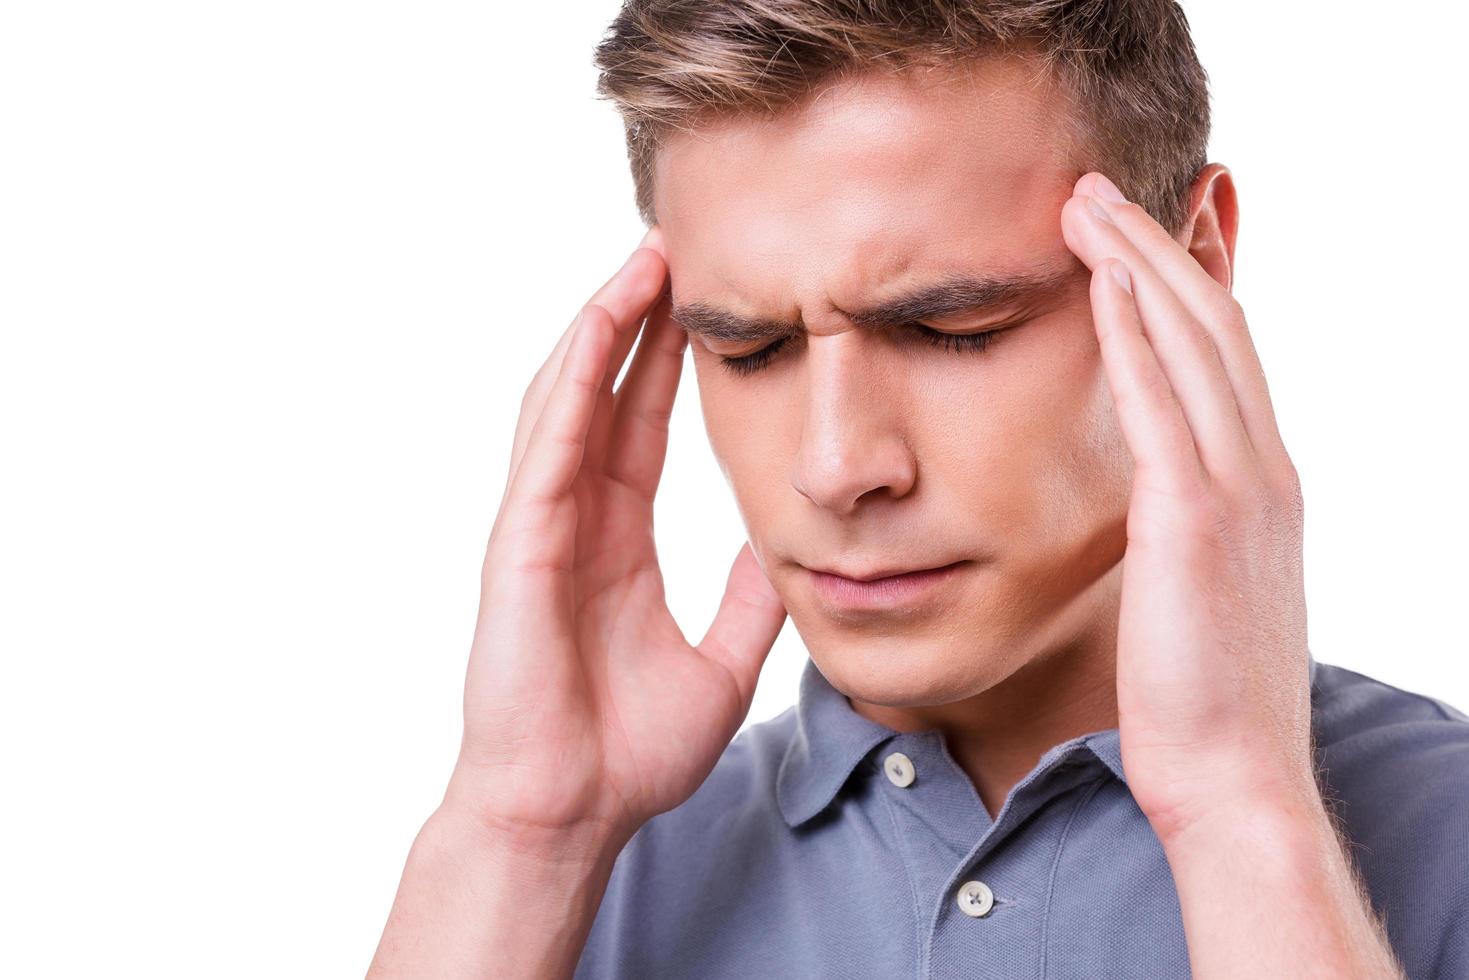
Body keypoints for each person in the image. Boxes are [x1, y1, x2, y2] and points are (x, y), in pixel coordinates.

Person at [367, 2, 1468, 977]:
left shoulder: (1446, 834)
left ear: (1194, 260)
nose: (835, 465)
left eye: (952, 330)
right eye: (747, 348)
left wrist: (1241, 812)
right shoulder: (566, 887)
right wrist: (518, 837)